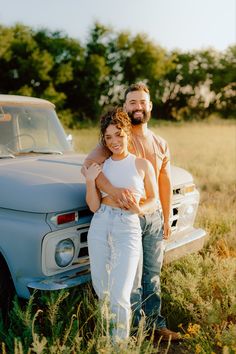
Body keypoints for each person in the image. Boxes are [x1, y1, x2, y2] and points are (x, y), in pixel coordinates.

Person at [83, 82, 180, 342]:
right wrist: (114, 192)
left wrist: (166, 216)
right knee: (131, 279)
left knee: (153, 273)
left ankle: (155, 326)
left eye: (142, 102)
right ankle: (134, 329)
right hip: (127, 217)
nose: (138, 107)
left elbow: (164, 181)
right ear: (125, 108)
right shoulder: (117, 137)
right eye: (132, 102)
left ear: (150, 106)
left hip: (153, 216)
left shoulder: (160, 142)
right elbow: (89, 166)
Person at [83, 108, 158, 341]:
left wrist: (139, 209)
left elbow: (154, 201)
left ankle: (119, 346)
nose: (114, 141)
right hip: (101, 223)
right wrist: (89, 181)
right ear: (104, 140)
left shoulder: (142, 165)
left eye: (119, 134)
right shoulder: (101, 166)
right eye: (108, 137)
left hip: (128, 226)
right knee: (102, 291)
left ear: (127, 133)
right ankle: (107, 338)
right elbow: (94, 206)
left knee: (121, 293)